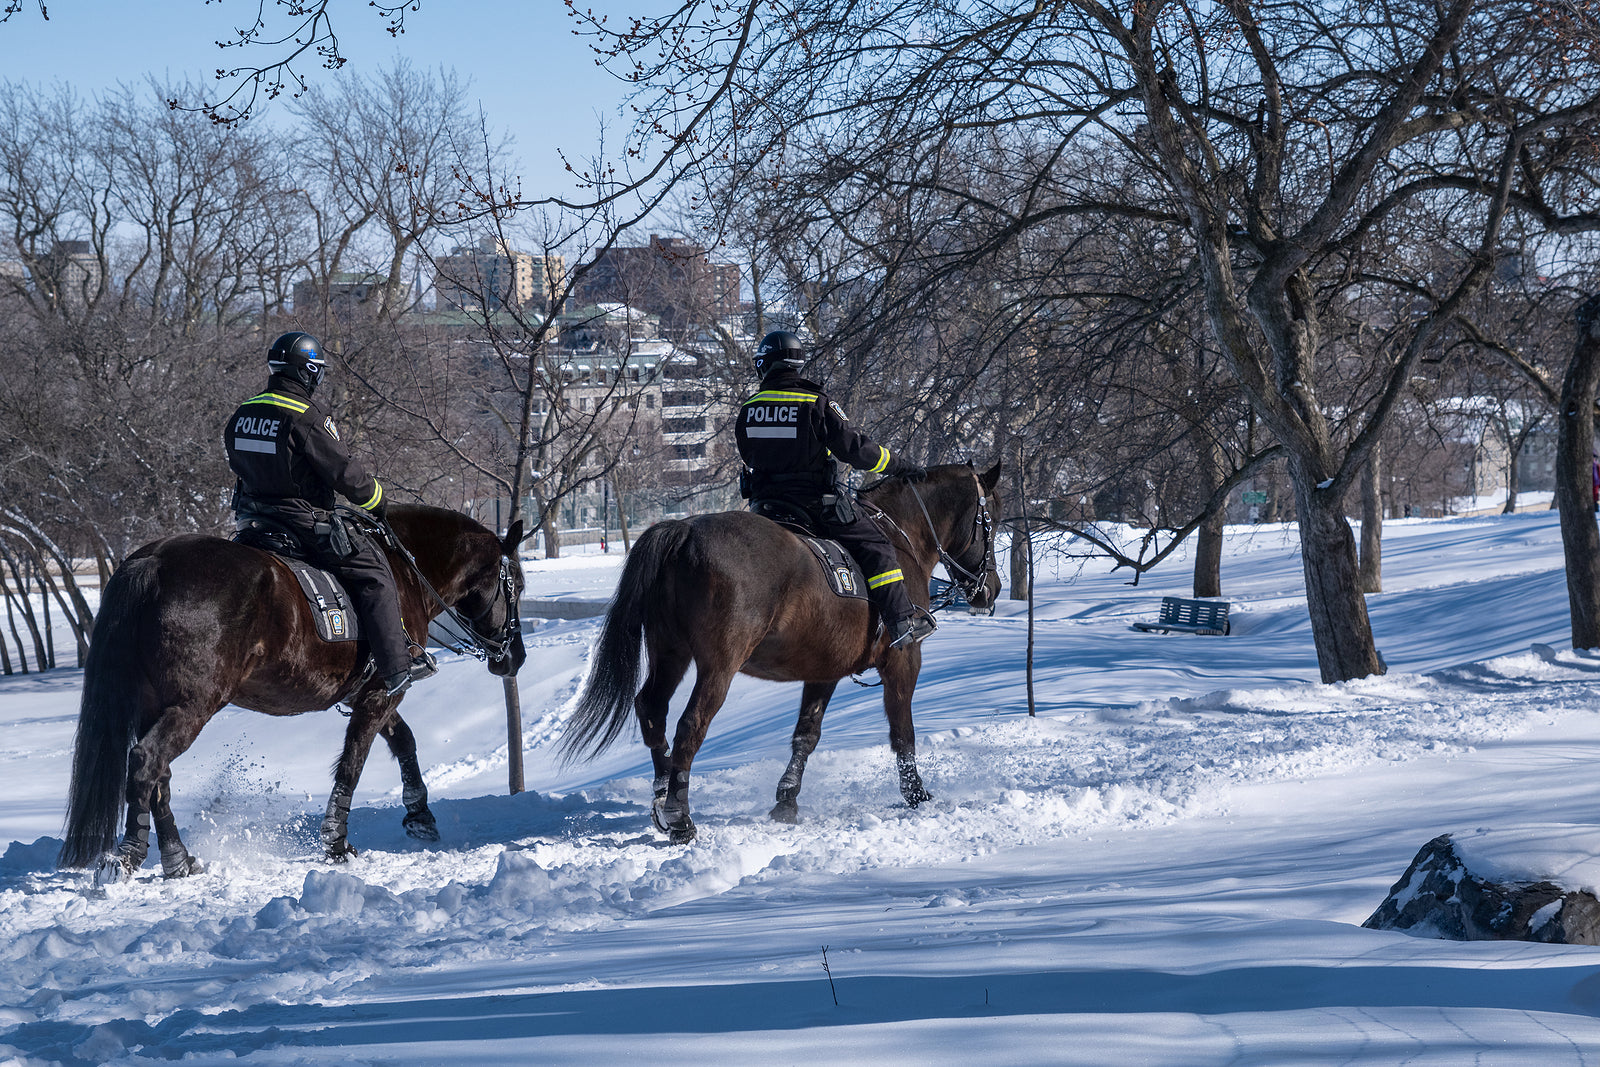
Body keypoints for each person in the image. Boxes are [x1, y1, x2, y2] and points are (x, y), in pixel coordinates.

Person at [224, 331, 436, 697]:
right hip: (300, 522)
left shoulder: (243, 413)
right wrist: (378, 501)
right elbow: (345, 473)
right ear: (308, 371)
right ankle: (397, 667)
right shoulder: (305, 415)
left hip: (251, 521)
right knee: (375, 573)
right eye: (317, 370)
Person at [735, 329, 935, 649]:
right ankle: (900, 622)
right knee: (878, 546)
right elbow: (857, 450)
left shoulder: (749, 409)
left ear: (766, 365)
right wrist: (899, 466)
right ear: (796, 364)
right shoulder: (816, 403)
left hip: (764, 506)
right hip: (814, 505)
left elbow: (749, 455)